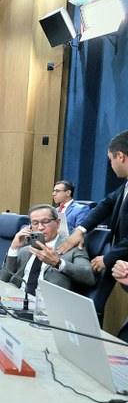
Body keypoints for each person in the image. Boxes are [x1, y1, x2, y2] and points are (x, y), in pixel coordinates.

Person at [59, 130, 128, 314]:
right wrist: (80, 229)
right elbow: (106, 204)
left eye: (110, 159)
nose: (111, 165)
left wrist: (108, 258)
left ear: (120, 156)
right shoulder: (126, 186)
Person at [0, 204, 96, 296]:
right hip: (19, 300)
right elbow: (3, 280)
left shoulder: (72, 247)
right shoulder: (25, 250)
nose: (40, 228)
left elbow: (89, 277)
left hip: (49, 306)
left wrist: (58, 263)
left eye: (45, 222)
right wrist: (13, 248)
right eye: (35, 223)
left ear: (58, 223)